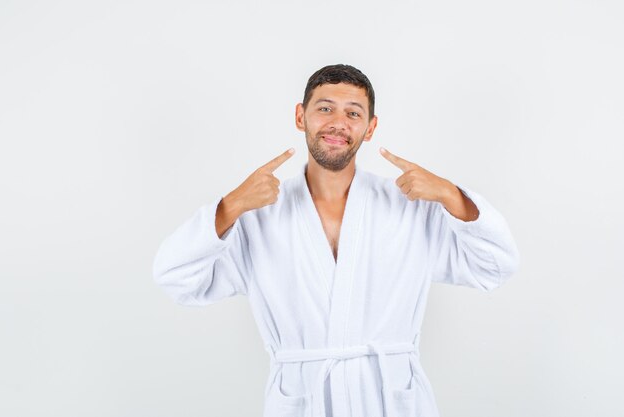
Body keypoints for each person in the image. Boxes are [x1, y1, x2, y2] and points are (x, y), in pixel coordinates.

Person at [152, 64, 520, 417]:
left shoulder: (410, 209)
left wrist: (452, 196)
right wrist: (229, 207)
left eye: (354, 113)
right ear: (301, 116)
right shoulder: (257, 216)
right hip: (302, 400)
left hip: (390, 401)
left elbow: (495, 266)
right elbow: (176, 278)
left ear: (370, 127)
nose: (338, 123)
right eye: (325, 108)